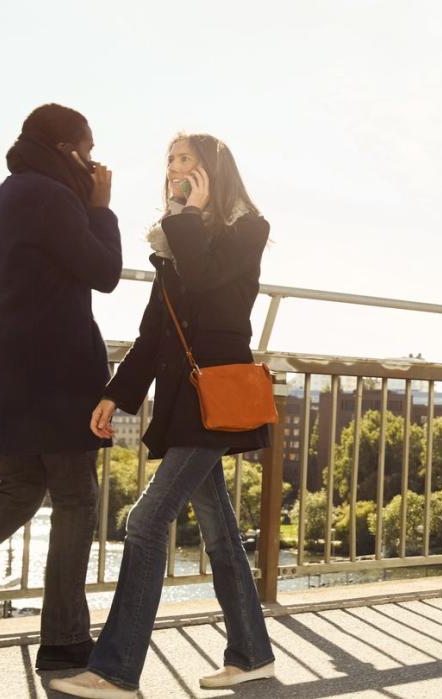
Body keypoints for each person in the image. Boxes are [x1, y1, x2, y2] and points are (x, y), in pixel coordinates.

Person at [52, 134, 275, 699]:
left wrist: (189, 218)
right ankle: (251, 655)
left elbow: (206, 282)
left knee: (145, 523)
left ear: (212, 171)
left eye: (186, 160)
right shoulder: (175, 242)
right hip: (182, 405)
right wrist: (115, 395)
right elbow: (155, 336)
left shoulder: (248, 230)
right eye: (170, 161)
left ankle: (116, 671)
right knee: (221, 533)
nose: (174, 169)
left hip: (216, 399)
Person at [0, 103, 120, 672]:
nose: (94, 161)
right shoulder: (54, 196)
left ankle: (65, 633)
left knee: (19, 491)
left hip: (8, 375)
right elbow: (105, 271)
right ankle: (65, 639)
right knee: (74, 499)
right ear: (69, 149)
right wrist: (102, 209)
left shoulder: (2, 194)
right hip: (59, 377)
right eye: (89, 150)